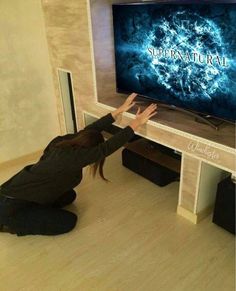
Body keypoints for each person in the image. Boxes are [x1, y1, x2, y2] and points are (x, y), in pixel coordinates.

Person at [0, 93, 157, 236]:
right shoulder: (72, 158)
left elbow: (92, 129)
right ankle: (10, 224)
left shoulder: (64, 142)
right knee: (68, 222)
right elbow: (106, 148)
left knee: (70, 196)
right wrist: (137, 122)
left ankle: (36, 210)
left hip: (17, 191)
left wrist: (120, 110)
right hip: (13, 205)